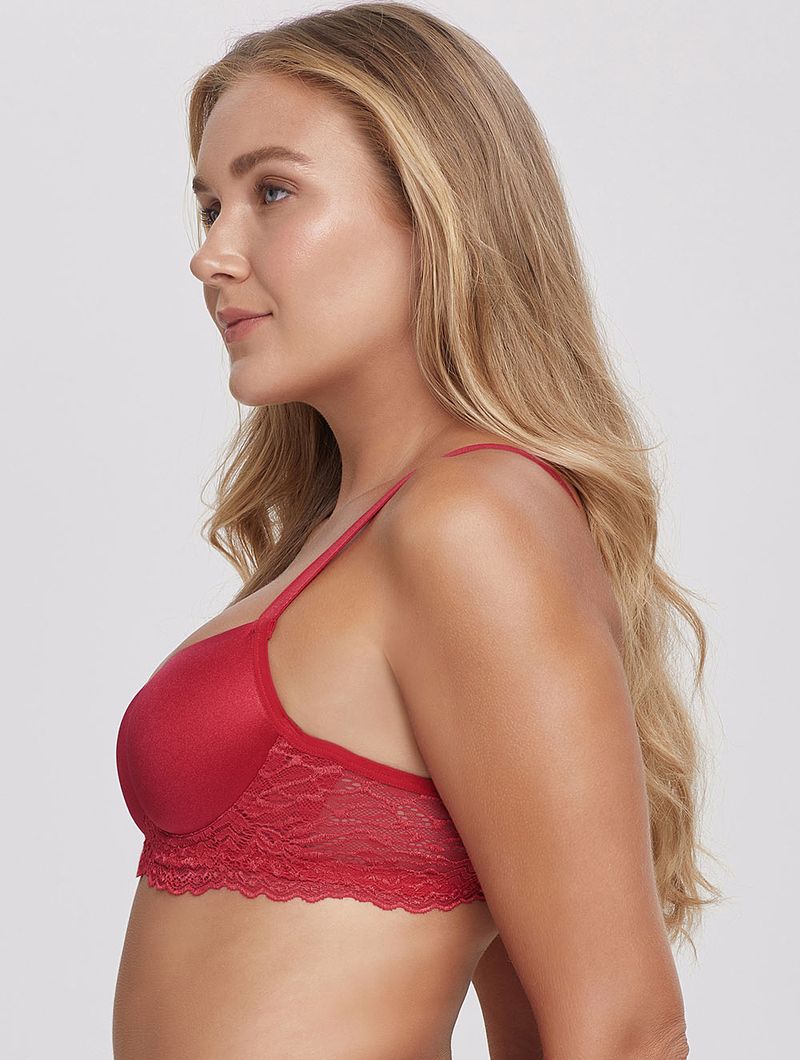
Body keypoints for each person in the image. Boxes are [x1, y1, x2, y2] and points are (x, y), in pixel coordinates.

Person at [113, 3, 722, 1057]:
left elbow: (622, 1027)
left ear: (434, 209)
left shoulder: (468, 521)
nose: (211, 254)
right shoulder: (353, 532)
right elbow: (532, 1023)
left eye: (271, 192)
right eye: (208, 206)